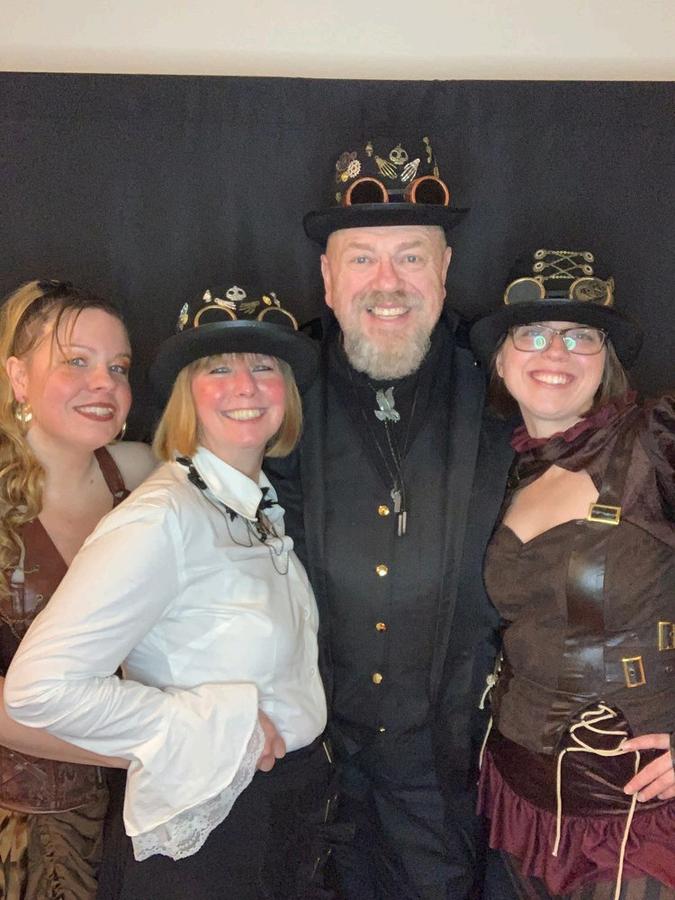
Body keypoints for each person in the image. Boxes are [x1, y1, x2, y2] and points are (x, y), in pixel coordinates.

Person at [5, 282, 331, 900]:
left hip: (281, 815)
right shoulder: (161, 517)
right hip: (212, 835)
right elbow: (37, 691)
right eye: (218, 369)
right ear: (186, 395)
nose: (245, 386)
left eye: (264, 367)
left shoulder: (251, 502)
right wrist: (211, 726)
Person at [267, 135, 514, 899]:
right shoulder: (273, 388)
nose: (387, 282)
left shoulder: (507, 385)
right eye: (363, 258)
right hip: (303, 761)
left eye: (410, 256)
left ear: (444, 270)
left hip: (447, 772)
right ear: (327, 277)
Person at [469, 247, 675, 899]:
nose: (554, 351)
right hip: (517, 791)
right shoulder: (503, 468)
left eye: (580, 335)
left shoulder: (654, 441)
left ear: (605, 359)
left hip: (634, 804)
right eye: (532, 333)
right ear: (501, 360)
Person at [0, 279, 155, 899]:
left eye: (118, 367)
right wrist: (156, 745)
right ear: (18, 377)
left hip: (145, 811)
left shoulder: (143, 473)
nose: (105, 384)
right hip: (30, 831)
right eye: (76, 362)